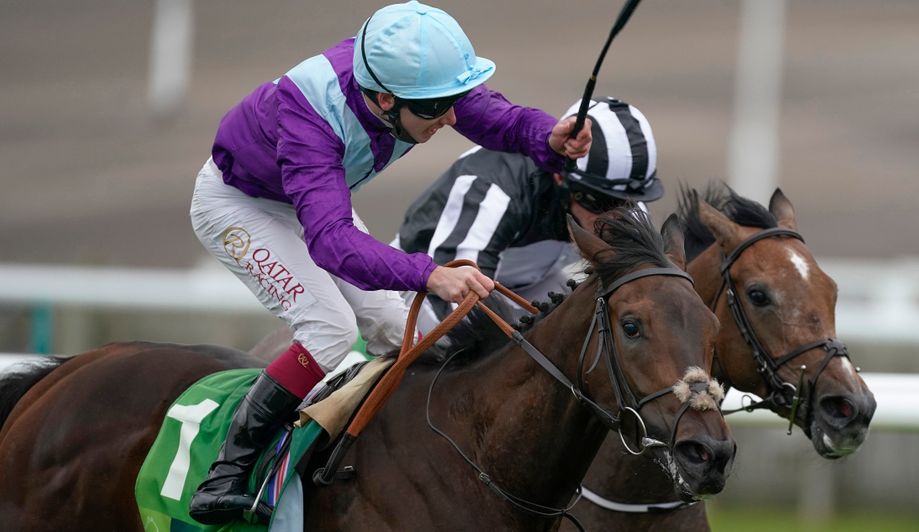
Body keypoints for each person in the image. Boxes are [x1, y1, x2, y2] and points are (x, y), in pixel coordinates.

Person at [187, 1, 591, 524]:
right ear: (382, 98)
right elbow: (330, 242)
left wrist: (546, 136)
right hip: (241, 206)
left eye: (450, 101)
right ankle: (227, 471)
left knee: (390, 326)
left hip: (311, 199)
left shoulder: (405, 83)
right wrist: (430, 272)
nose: (450, 118)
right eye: (436, 109)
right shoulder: (310, 117)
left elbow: (484, 112)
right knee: (329, 329)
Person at [395, 96, 661, 332]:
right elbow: (459, 311)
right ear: (560, 176)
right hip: (425, 290)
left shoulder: (624, 205)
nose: (613, 218)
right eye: (599, 200)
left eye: (627, 202)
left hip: (534, 282)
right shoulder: (495, 187)